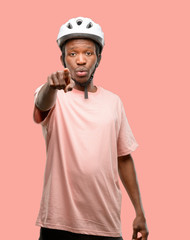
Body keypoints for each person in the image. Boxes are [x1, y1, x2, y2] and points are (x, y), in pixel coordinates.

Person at [33, 17, 149, 240]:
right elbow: (40, 108)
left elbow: (123, 157)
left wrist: (139, 212)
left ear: (98, 58)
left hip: (105, 222)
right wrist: (50, 85)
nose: (80, 60)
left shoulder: (114, 102)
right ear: (63, 58)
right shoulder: (53, 94)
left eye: (88, 53)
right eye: (73, 53)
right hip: (59, 225)